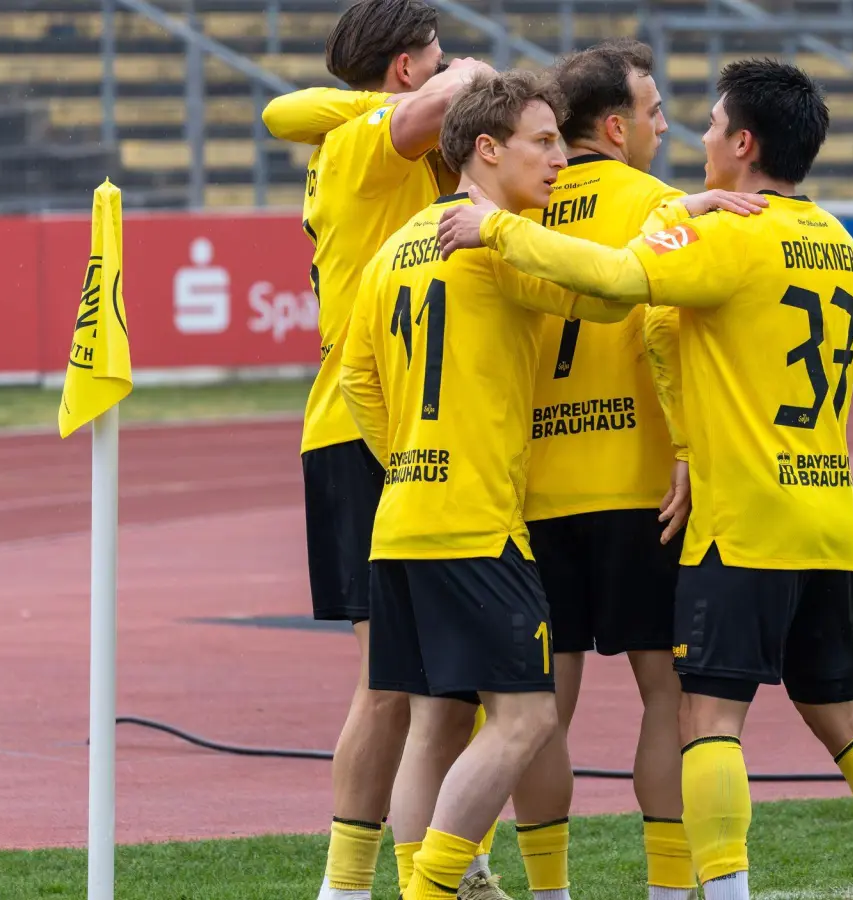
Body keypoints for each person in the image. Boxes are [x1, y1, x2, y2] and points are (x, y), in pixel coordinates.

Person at [435, 59, 853, 900]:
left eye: (708, 124)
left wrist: (493, 228)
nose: (693, 136)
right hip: (825, 512)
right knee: (845, 716)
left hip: (734, 515)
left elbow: (617, 282)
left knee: (704, 720)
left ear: (743, 144)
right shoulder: (841, 245)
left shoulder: (721, 235)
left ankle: (704, 890)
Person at [337, 70, 638, 900]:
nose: (557, 161)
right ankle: (432, 889)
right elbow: (612, 295)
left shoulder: (393, 249)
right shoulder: (493, 248)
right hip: (476, 524)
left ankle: (410, 881)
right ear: (486, 148)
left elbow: (358, 379)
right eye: (543, 143)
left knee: (434, 723)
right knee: (528, 718)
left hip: (401, 520)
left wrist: (410, 455)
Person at [505, 39, 765, 900]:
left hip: (536, 489)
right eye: (655, 114)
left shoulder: (519, 200)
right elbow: (666, 330)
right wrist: (692, 449)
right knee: (669, 695)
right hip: (644, 488)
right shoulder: (664, 204)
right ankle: (664, 890)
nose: (666, 128)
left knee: (539, 707)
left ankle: (548, 892)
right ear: (614, 128)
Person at [259, 3, 494, 898]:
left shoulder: (356, 132)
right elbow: (460, 92)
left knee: (442, 675)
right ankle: (349, 885)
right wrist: (464, 73)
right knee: (392, 677)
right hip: (364, 426)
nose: (450, 66)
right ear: (406, 70)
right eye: (433, 57)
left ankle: (437, 866)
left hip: (395, 425)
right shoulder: (369, 144)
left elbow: (287, 110)